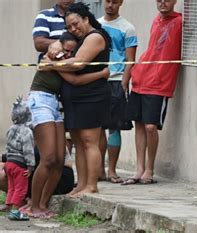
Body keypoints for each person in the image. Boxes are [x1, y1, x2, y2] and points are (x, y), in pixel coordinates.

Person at [26, 32, 109, 219]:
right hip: (41, 101)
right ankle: (34, 206)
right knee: (47, 159)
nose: (68, 54)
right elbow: (74, 80)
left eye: (72, 52)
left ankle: (43, 205)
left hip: (56, 104)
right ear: (59, 45)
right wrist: (102, 74)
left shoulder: (65, 59)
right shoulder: (54, 56)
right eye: (66, 49)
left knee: (59, 162)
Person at [39, 2, 112, 198]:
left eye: (76, 23)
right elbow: (59, 46)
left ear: (86, 19)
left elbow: (78, 64)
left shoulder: (96, 36)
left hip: (92, 96)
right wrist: (54, 48)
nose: (73, 29)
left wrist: (50, 65)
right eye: (69, 26)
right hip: (75, 97)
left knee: (90, 141)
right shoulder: (77, 39)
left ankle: (91, 185)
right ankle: (81, 184)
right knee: (79, 142)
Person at [122, 0, 182, 185]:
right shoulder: (156, 20)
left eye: (167, 0)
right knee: (139, 124)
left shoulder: (180, 22)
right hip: (142, 78)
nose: (163, 3)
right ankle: (139, 169)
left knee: (151, 126)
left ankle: (150, 168)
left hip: (160, 83)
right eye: (159, 0)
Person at [98, 0, 138, 184]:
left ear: (120, 3)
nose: (110, 5)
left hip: (116, 81)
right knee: (98, 127)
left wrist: (125, 80)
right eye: (107, 1)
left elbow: (131, 59)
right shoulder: (96, 25)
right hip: (98, 79)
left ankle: (112, 170)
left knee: (115, 127)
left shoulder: (127, 28)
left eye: (115, 1)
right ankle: (98, 170)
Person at [2, 98, 35, 216]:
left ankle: (8, 205)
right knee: (20, 188)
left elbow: (7, 146)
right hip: (20, 165)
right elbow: (28, 150)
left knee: (12, 186)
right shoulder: (27, 131)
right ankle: (15, 210)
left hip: (9, 163)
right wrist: (31, 166)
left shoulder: (11, 129)